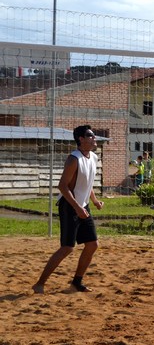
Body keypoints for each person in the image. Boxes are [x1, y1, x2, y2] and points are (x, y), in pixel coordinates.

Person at [32, 125, 104, 294]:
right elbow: (63, 186)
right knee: (67, 247)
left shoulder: (93, 157)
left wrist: (94, 201)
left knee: (92, 244)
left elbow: (87, 184)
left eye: (94, 136)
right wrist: (77, 207)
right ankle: (40, 283)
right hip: (69, 206)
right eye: (91, 136)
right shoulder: (74, 159)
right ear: (81, 139)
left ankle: (76, 283)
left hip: (82, 206)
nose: (95, 139)